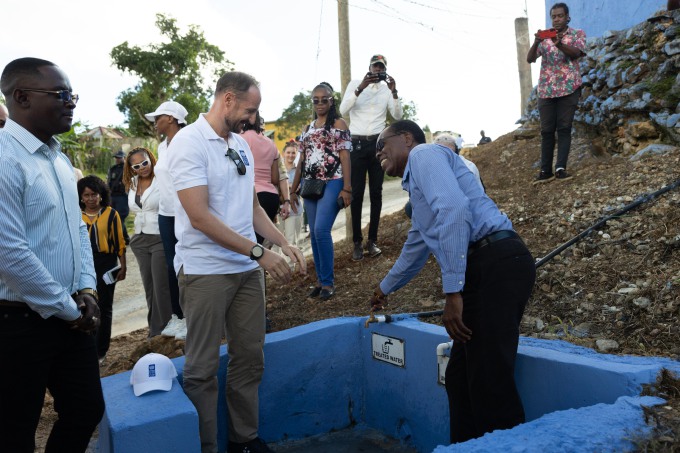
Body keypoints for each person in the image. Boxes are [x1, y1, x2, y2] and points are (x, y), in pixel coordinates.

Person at [370, 120, 536, 444]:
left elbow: (455, 210)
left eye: (382, 143)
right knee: (460, 379)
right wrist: (384, 287)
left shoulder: (423, 155)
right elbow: (416, 247)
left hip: (496, 262)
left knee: (490, 382)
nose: (377, 152)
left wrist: (453, 292)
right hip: (485, 268)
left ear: (406, 138)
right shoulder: (419, 190)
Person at [167, 71, 306, 453]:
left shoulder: (241, 145)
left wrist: (282, 242)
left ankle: (243, 439)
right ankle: (206, 446)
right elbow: (199, 216)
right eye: (250, 110)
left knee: (249, 358)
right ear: (227, 100)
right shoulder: (189, 143)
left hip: (245, 271)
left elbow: (252, 206)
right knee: (202, 368)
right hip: (205, 271)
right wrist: (260, 253)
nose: (253, 119)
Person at [0, 57, 104, 452]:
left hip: (70, 315)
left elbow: (78, 229)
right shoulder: (4, 159)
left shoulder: (60, 160)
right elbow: (9, 253)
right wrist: (70, 308)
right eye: (61, 94)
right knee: (14, 432)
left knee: (85, 410)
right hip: (17, 323)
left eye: (71, 94)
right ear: (21, 97)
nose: (71, 103)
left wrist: (88, 291)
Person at [290, 82, 352, 301]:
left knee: (321, 230)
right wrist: (292, 190)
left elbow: (345, 156)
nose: (319, 103)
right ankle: (320, 281)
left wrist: (347, 187)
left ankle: (328, 282)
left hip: (333, 181)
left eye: (323, 99)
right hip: (310, 184)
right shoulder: (308, 128)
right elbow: (301, 161)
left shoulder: (339, 124)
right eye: (315, 100)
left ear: (331, 100)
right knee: (314, 235)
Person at [340, 54, 403, 261]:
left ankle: (372, 241)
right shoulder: (356, 84)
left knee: (376, 192)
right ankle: (357, 242)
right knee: (357, 193)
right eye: (375, 67)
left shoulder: (386, 91)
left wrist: (394, 92)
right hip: (357, 143)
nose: (377, 71)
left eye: (381, 68)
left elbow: (397, 116)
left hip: (377, 143)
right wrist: (360, 89)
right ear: (369, 68)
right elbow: (343, 109)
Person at [527, 2, 586, 184]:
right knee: (546, 131)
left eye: (560, 16)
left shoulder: (577, 34)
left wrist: (558, 44)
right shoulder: (545, 38)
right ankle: (545, 171)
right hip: (546, 90)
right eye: (554, 16)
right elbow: (530, 59)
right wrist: (537, 41)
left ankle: (560, 168)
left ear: (567, 17)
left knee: (564, 128)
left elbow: (576, 53)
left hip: (569, 88)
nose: (557, 19)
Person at [144, 100, 188, 338]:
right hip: (166, 214)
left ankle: (192, 316)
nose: (155, 122)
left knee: (187, 265)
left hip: (186, 213)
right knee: (172, 266)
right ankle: (178, 316)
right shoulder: (162, 146)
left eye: (158, 117)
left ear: (171, 118)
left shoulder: (188, 140)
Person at [122, 147, 172, 337]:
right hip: (140, 239)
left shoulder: (162, 178)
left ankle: (167, 327)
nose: (142, 167)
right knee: (149, 285)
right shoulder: (132, 183)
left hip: (160, 236)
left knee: (161, 285)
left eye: (145, 162)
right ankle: (154, 329)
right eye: (137, 165)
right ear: (131, 168)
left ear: (151, 159)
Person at [78, 175, 127, 364]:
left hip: (106, 263)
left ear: (101, 195)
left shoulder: (111, 214)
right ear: (81, 197)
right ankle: (87, 346)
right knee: (86, 304)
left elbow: (120, 242)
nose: (90, 199)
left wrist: (123, 266)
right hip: (84, 263)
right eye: (86, 195)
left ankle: (100, 351)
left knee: (105, 307)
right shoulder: (76, 215)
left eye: (94, 194)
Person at [242, 112, 290, 245]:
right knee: (259, 243)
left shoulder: (239, 140)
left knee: (249, 244)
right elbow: (275, 178)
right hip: (271, 197)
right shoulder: (271, 144)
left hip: (251, 197)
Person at [280, 141, 303, 249]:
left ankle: (290, 266)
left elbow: (300, 187)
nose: (290, 155)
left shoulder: (299, 171)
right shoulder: (277, 169)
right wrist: (290, 186)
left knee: (291, 242)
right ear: (284, 153)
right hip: (278, 209)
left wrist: (288, 186)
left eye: (293, 153)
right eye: (288, 152)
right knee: (276, 243)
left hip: (295, 210)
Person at [107, 149, 130, 244]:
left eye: (119, 157)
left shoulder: (128, 169)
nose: (117, 159)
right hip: (112, 196)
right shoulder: (112, 169)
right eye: (116, 157)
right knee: (112, 217)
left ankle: (125, 238)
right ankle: (119, 237)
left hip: (122, 197)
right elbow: (108, 181)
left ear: (124, 158)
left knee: (120, 218)